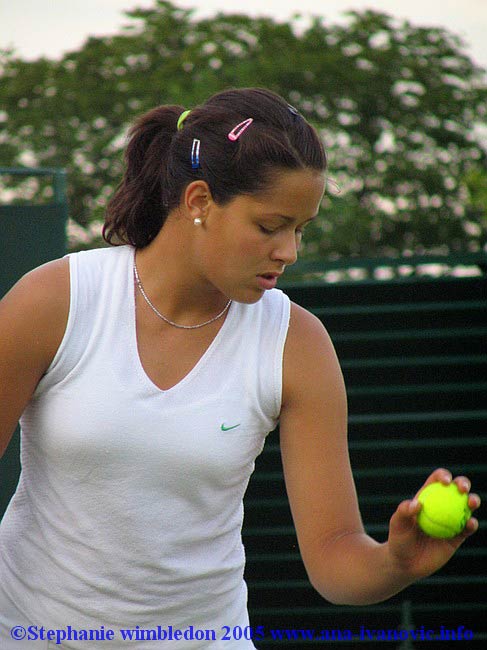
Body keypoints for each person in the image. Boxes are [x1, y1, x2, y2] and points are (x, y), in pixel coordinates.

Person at [0, 87, 480, 649]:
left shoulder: (298, 345)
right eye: (271, 225)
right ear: (199, 200)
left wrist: (396, 561)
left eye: (300, 229)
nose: (289, 251)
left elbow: (335, 561)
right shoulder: (55, 300)